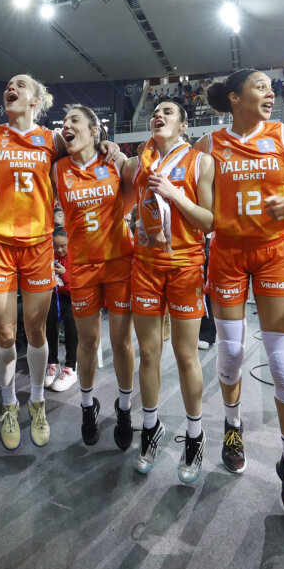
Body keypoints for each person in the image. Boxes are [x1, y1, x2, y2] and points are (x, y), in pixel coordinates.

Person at [195, 68, 284, 521]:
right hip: (226, 253)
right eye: (260, 86)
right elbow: (167, 168)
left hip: (274, 254)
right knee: (230, 348)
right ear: (235, 98)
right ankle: (232, 425)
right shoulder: (209, 146)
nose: (270, 92)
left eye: (270, 87)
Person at [0, 76, 61, 449]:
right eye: (8, 85)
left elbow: (81, 161)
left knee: (35, 331)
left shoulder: (52, 140)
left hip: (38, 245)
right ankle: (9, 404)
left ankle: (36, 400)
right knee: (5, 333)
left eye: (20, 85)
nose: (11, 87)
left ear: (36, 99)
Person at [122, 101, 214, 478]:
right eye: (155, 112)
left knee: (185, 355)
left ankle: (195, 436)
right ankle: (151, 427)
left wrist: (176, 194)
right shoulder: (136, 164)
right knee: (148, 353)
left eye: (168, 112)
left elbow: (208, 222)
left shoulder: (200, 162)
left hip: (185, 268)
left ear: (183, 125)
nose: (158, 115)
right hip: (144, 267)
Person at [53, 105, 138, 447]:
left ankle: (126, 408)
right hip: (83, 266)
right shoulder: (58, 168)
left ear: (94, 130)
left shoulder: (115, 162)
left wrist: (114, 149)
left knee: (121, 343)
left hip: (119, 262)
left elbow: (130, 202)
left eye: (74, 120)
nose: (66, 125)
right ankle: (88, 406)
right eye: (64, 121)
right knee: (87, 342)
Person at [45, 227, 79, 395]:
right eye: (56, 246)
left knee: (71, 321)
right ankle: (52, 362)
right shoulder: (49, 257)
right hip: (55, 297)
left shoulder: (77, 256)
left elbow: (79, 287)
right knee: (49, 317)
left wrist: (65, 275)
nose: (59, 250)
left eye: (63, 246)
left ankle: (71, 366)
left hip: (73, 298)